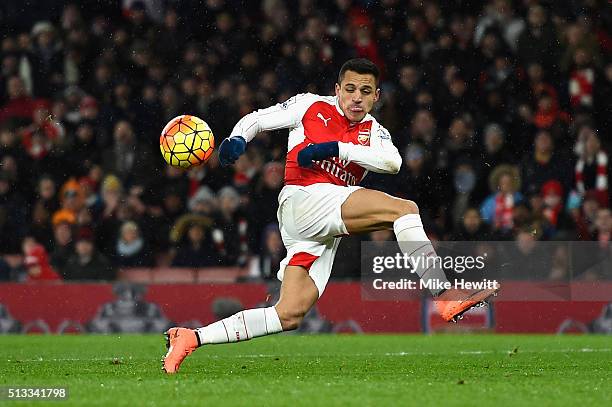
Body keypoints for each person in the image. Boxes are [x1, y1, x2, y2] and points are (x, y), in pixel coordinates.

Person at [162, 58, 499, 373]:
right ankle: (442, 295)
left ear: (376, 97)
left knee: (288, 314)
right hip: (303, 199)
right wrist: (238, 137)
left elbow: (393, 163)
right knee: (405, 210)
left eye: (366, 92)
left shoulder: (375, 132)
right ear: (337, 90)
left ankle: (191, 338)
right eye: (350, 89)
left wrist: (336, 148)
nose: (357, 98)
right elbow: (258, 118)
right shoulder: (310, 104)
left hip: (322, 225)